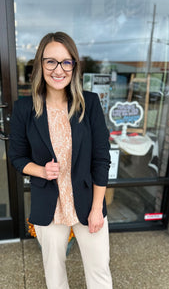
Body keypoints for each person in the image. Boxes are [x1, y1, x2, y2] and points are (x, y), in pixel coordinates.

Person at [8, 31, 112, 289]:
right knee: (54, 276)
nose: (59, 69)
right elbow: (17, 157)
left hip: (89, 204)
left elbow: (101, 159)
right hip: (49, 206)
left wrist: (98, 208)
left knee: (99, 272)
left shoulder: (89, 103)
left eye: (66, 62)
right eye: (51, 61)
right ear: (40, 64)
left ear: (74, 66)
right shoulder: (24, 108)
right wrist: (41, 171)